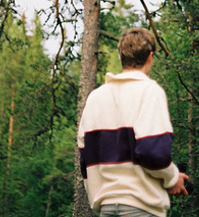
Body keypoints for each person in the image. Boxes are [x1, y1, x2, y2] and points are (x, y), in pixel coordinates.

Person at [78, 28, 188, 217]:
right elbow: (152, 151)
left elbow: (85, 158)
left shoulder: (95, 98)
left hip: (106, 208)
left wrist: (99, 199)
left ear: (122, 58)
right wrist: (172, 178)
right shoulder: (149, 92)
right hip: (141, 208)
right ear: (150, 57)